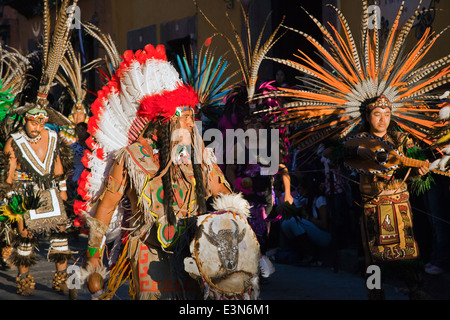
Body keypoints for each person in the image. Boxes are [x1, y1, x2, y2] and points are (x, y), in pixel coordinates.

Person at [78, 44, 260, 300]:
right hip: (148, 252)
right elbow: (106, 208)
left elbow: (224, 199)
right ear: (164, 121)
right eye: (183, 117)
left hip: (194, 254)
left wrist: (236, 241)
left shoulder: (200, 157)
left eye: (191, 116)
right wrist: (94, 257)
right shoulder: (130, 158)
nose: (190, 123)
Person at [343, 95, 430, 299]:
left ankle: (414, 288)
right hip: (372, 204)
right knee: (373, 252)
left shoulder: (401, 139)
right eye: (377, 114)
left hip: (399, 201)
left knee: (408, 249)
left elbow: (416, 163)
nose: (383, 119)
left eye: (387, 114)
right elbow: (336, 151)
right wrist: (359, 150)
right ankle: (374, 291)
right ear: (367, 116)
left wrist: (420, 171)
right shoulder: (358, 139)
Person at [2, 107, 74, 296]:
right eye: (34, 122)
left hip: (50, 191)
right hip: (25, 193)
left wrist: (63, 192)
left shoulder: (52, 137)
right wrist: (12, 203)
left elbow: (58, 168)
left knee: (61, 234)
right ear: (25, 119)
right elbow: (8, 178)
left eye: (41, 123)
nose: (37, 127)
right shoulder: (13, 142)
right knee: (25, 236)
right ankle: (24, 281)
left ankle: (62, 280)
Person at [279, 173, 331, 266]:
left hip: (324, 236)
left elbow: (324, 224)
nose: (299, 191)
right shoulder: (306, 199)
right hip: (314, 231)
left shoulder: (320, 200)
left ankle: (310, 254)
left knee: (294, 221)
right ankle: (297, 251)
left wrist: (307, 217)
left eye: (301, 188)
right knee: (286, 223)